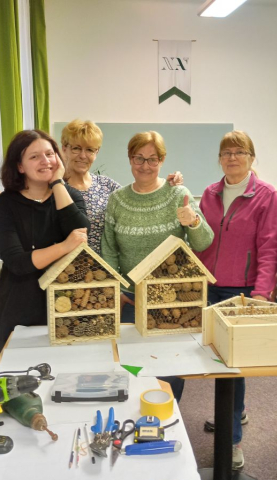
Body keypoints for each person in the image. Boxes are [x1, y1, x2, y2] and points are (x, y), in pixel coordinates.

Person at [101, 130, 214, 401]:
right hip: (131, 299)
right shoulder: (117, 200)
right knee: (131, 366)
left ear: (162, 160)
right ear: (130, 159)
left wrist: (193, 222)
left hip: (174, 302)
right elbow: (109, 249)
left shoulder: (178, 194)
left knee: (172, 366)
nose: (145, 165)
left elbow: (203, 242)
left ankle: (168, 413)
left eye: (153, 159)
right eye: (138, 158)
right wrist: (117, 290)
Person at [194, 130, 277, 469]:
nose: (232, 157)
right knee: (212, 355)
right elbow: (199, 239)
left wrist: (261, 293)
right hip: (208, 286)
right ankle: (233, 410)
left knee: (232, 363)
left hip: (240, 290)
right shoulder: (210, 193)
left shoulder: (265, 195)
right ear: (219, 159)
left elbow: (269, 246)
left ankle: (231, 440)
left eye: (239, 152)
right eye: (226, 152)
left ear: (251, 157)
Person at [0, 119, 183, 254]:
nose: (83, 155)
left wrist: (168, 185)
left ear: (97, 153)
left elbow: (139, 198)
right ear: (63, 148)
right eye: (76, 148)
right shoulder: (49, 185)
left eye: (90, 150)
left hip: (102, 275)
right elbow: (17, 208)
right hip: (59, 271)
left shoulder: (108, 186)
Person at [0, 130, 90, 357]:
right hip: (20, 301)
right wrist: (63, 247)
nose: (45, 161)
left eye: (49, 154)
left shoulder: (69, 195)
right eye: (34, 157)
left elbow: (80, 234)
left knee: (68, 368)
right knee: (20, 371)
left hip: (67, 300)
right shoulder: (5, 205)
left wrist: (57, 183)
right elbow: (17, 262)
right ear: (20, 166)